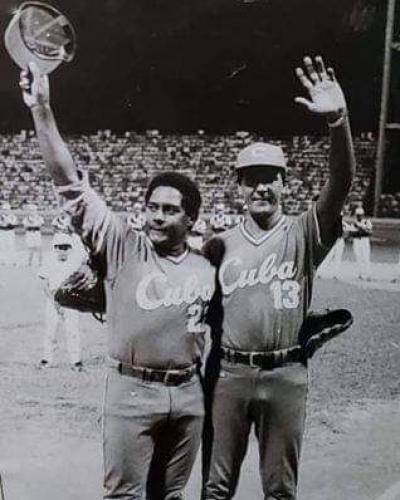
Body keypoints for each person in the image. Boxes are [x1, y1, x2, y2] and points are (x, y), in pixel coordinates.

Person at [20, 62, 215, 500]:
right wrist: (42, 109)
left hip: (188, 395)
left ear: (191, 218)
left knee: (170, 496)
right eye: (152, 207)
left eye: (170, 209)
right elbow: (69, 184)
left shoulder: (208, 265)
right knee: (123, 496)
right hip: (131, 391)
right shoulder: (124, 244)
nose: (157, 216)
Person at [202, 56, 355, 500]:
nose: (261, 188)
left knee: (281, 490)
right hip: (229, 373)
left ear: (286, 183)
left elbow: (341, 182)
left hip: (287, 373)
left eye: (270, 178)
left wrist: (337, 121)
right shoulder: (218, 244)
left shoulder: (305, 231)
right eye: (251, 180)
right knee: (216, 488)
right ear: (239, 186)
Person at [38, 233, 83, 370]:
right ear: (55, 248)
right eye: (60, 247)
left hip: (70, 302)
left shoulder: (75, 263)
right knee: (50, 330)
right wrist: (55, 302)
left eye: (66, 247)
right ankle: (47, 359)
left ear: (70, 248)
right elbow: (45, 285)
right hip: (52, 301)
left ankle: (76, 361)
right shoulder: (49, 261)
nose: (63, 251)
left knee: (72, 331)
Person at [351, 206, 372, 280]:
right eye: (357, 215)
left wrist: (361, 228)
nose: (358, 216)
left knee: (366, 257)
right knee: (358, 257)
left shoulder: (367, 222)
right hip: (357, 241)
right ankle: (360, 273)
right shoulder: (354, 223)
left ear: (363, 215)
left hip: (364, 241)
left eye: (360, 215)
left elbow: (369, 232)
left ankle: (368, 274)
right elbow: (352, 233)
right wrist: (357, 230)